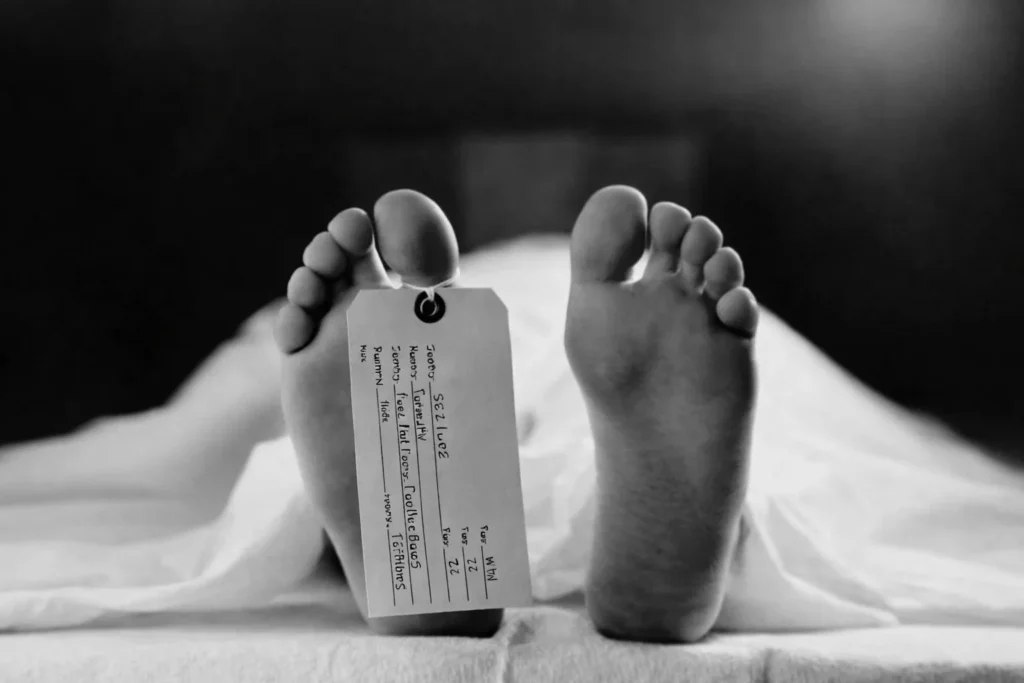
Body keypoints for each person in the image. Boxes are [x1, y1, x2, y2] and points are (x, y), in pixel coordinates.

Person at [275, 185, 759, 642]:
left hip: (461, 386)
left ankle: (409, 551)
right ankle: (691, 564)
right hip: (640, 360)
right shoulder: (685, 301)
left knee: (284, 498)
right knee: (762, 486)